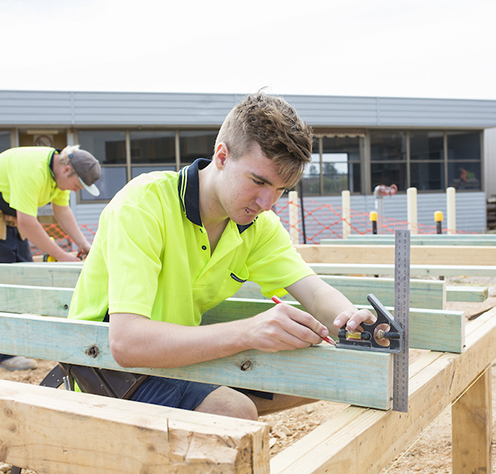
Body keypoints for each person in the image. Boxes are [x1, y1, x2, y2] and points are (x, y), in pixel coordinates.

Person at [67, 92, 376, 420]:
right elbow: (126, 344)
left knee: (332, 375)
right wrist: (248, 332)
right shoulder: (144, 205)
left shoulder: (258, 226)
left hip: (175, 357)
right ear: (222, 156)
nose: (266, 202)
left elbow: (312, 291)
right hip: (104, 369)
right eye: (258, 181)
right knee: (233, 410)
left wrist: (350, 319)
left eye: (280, 190)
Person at [0, 145, 100, 371]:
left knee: (25, 279)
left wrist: (84, 245)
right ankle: (3, 355)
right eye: (77, 185)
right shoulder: (33, 169)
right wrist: (62, 256)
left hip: (9, 217)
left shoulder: (57, 179)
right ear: (67, 170)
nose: (75, 191)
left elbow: (62, 211)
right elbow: (27, 222)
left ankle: (19, 343)